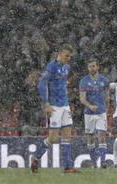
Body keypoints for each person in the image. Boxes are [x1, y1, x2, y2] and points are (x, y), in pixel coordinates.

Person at [31, 44, 78, 173]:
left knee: (67, 136)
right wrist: (46, 103)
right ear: (60, 53)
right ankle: (36, 157)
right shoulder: (51, 67)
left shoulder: (66, 67)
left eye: (70, 56)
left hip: (65, 105)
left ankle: (68, 166)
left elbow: (62, 84)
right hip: (54, 106)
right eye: (66, 55)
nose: (68, 58)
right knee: (53, 138)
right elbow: (41, 84)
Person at [79, 58, 110, 168]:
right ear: (88, 68)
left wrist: (106, 106)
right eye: (89, 66)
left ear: (98, 67)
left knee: (101, 136)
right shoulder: (84, 81)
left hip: (101, 112)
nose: (91, 68)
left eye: (93, 66)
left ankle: (103, 162)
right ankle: (93, 162)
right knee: (90, 138)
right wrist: (90, 106)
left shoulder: (105, 80)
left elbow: (107, 96)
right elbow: (82, 98)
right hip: (89, 113)